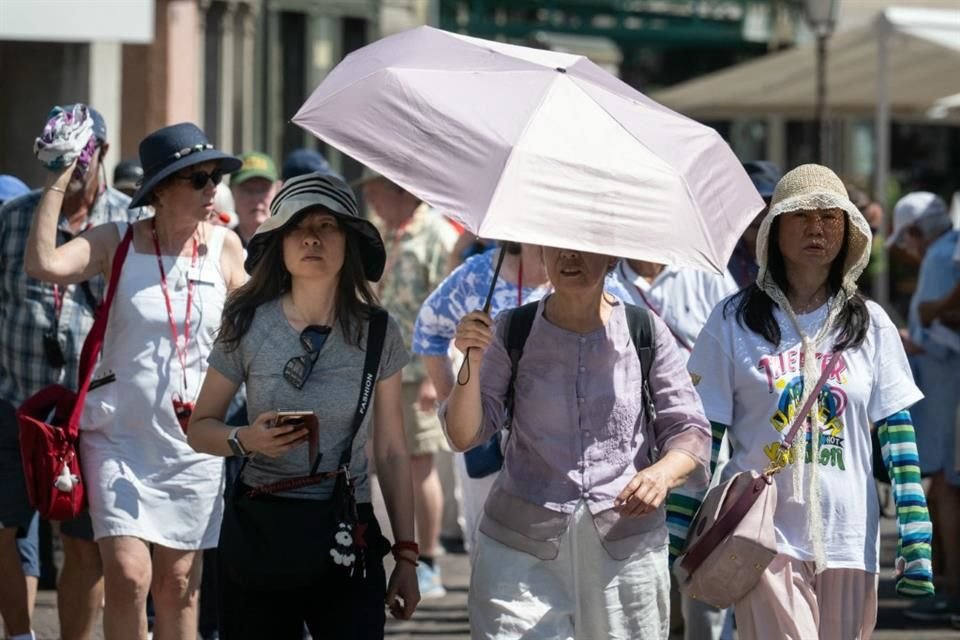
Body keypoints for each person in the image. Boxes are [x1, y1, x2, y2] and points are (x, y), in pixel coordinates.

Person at [683, 164, 934, 638]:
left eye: (830, 217)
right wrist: (676, 532)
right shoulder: (732, 321)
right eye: (800, 216)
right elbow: (700, 434)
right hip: (762, 537)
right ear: (774, 230)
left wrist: (916, 535)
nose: (816, 228)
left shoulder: (872, 324)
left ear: (848, 232)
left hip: (849, 539)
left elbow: (897, 436)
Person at [24, 122, 247, 639]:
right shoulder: (115, 240)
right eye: (198, 178)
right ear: (162, 190)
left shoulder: (226, 248)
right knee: (127, 576)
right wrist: (59, 179)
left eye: (214, 177)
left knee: (177, 588)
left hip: (195, 442)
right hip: (119, 437)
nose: (211, 187)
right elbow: (43, 263)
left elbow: (265, 324)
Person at [187, 172, 419, 637]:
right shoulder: (246, 322)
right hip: (260, 531)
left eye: (327, 225)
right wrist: (245, 439)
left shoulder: (379, 330)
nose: (312, 237)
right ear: (279, 243)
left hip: (346, 533)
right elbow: (200, 428)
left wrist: (408, 557)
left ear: (349, 241)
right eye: (297, 226)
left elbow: (392, 451)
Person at [443, 244, 711, 638]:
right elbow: (463, 433)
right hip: (520, 550)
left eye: (585, 247)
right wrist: (471, 359)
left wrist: (662, 473)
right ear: (542, 252)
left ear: (612, 256)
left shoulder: (645, 330)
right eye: (558, 247)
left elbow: (689, 428)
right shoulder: (511, 329)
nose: (570, 257)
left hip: (625, 552)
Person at [0, 106, 139, 640]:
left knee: (82, 543)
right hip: (15, 399)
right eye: (60, 151)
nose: (72, 163)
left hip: (91, 412)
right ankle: (19, 634)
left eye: (82, 151)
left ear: (101, 151)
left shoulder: (129, 223)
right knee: (2, 529)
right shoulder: (15, 217)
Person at [611, 258, 738, 640]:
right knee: (632, 562)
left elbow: (739, 340)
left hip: (703, 439)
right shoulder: (602, 278)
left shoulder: (707, 273)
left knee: (705, 556)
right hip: (625, 445)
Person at [414, 242, 551, 555]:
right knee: (490, 552)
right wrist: (454, 406)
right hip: (487, 448)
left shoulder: (585, 282)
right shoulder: (478, 276)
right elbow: (427, 329)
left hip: (556, 452)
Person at [360, 170, 458, 597]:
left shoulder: (435, 232)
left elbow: (447, 304)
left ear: (396, 190)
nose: (371, 199)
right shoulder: (379, 231)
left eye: (375, 191)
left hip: (419, 371)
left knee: (419, 464)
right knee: (376, 460)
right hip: (378, 367)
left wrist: (435, 377)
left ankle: (430, 557)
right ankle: (392, 552)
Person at [886, 191, 960, 624]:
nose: (908, 253)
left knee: (947, 486)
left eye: (906, 241)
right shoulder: (950, 253)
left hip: (948, 394)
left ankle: (951, 592)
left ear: (915, 232)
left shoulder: (939, 259)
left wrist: (915, 333)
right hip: (946, 392)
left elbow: (937, 334)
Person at [728, 161, 781, 288]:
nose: (759, 211)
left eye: (768, 201)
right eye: (751, 202)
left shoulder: (793, 256)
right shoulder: (721, 257)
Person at [230, 151, 280, 245]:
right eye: (248, 190)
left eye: (264, 189)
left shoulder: (291, 245)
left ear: (277, 191)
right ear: (232, 193)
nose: (256, 198)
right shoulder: (219, 246)